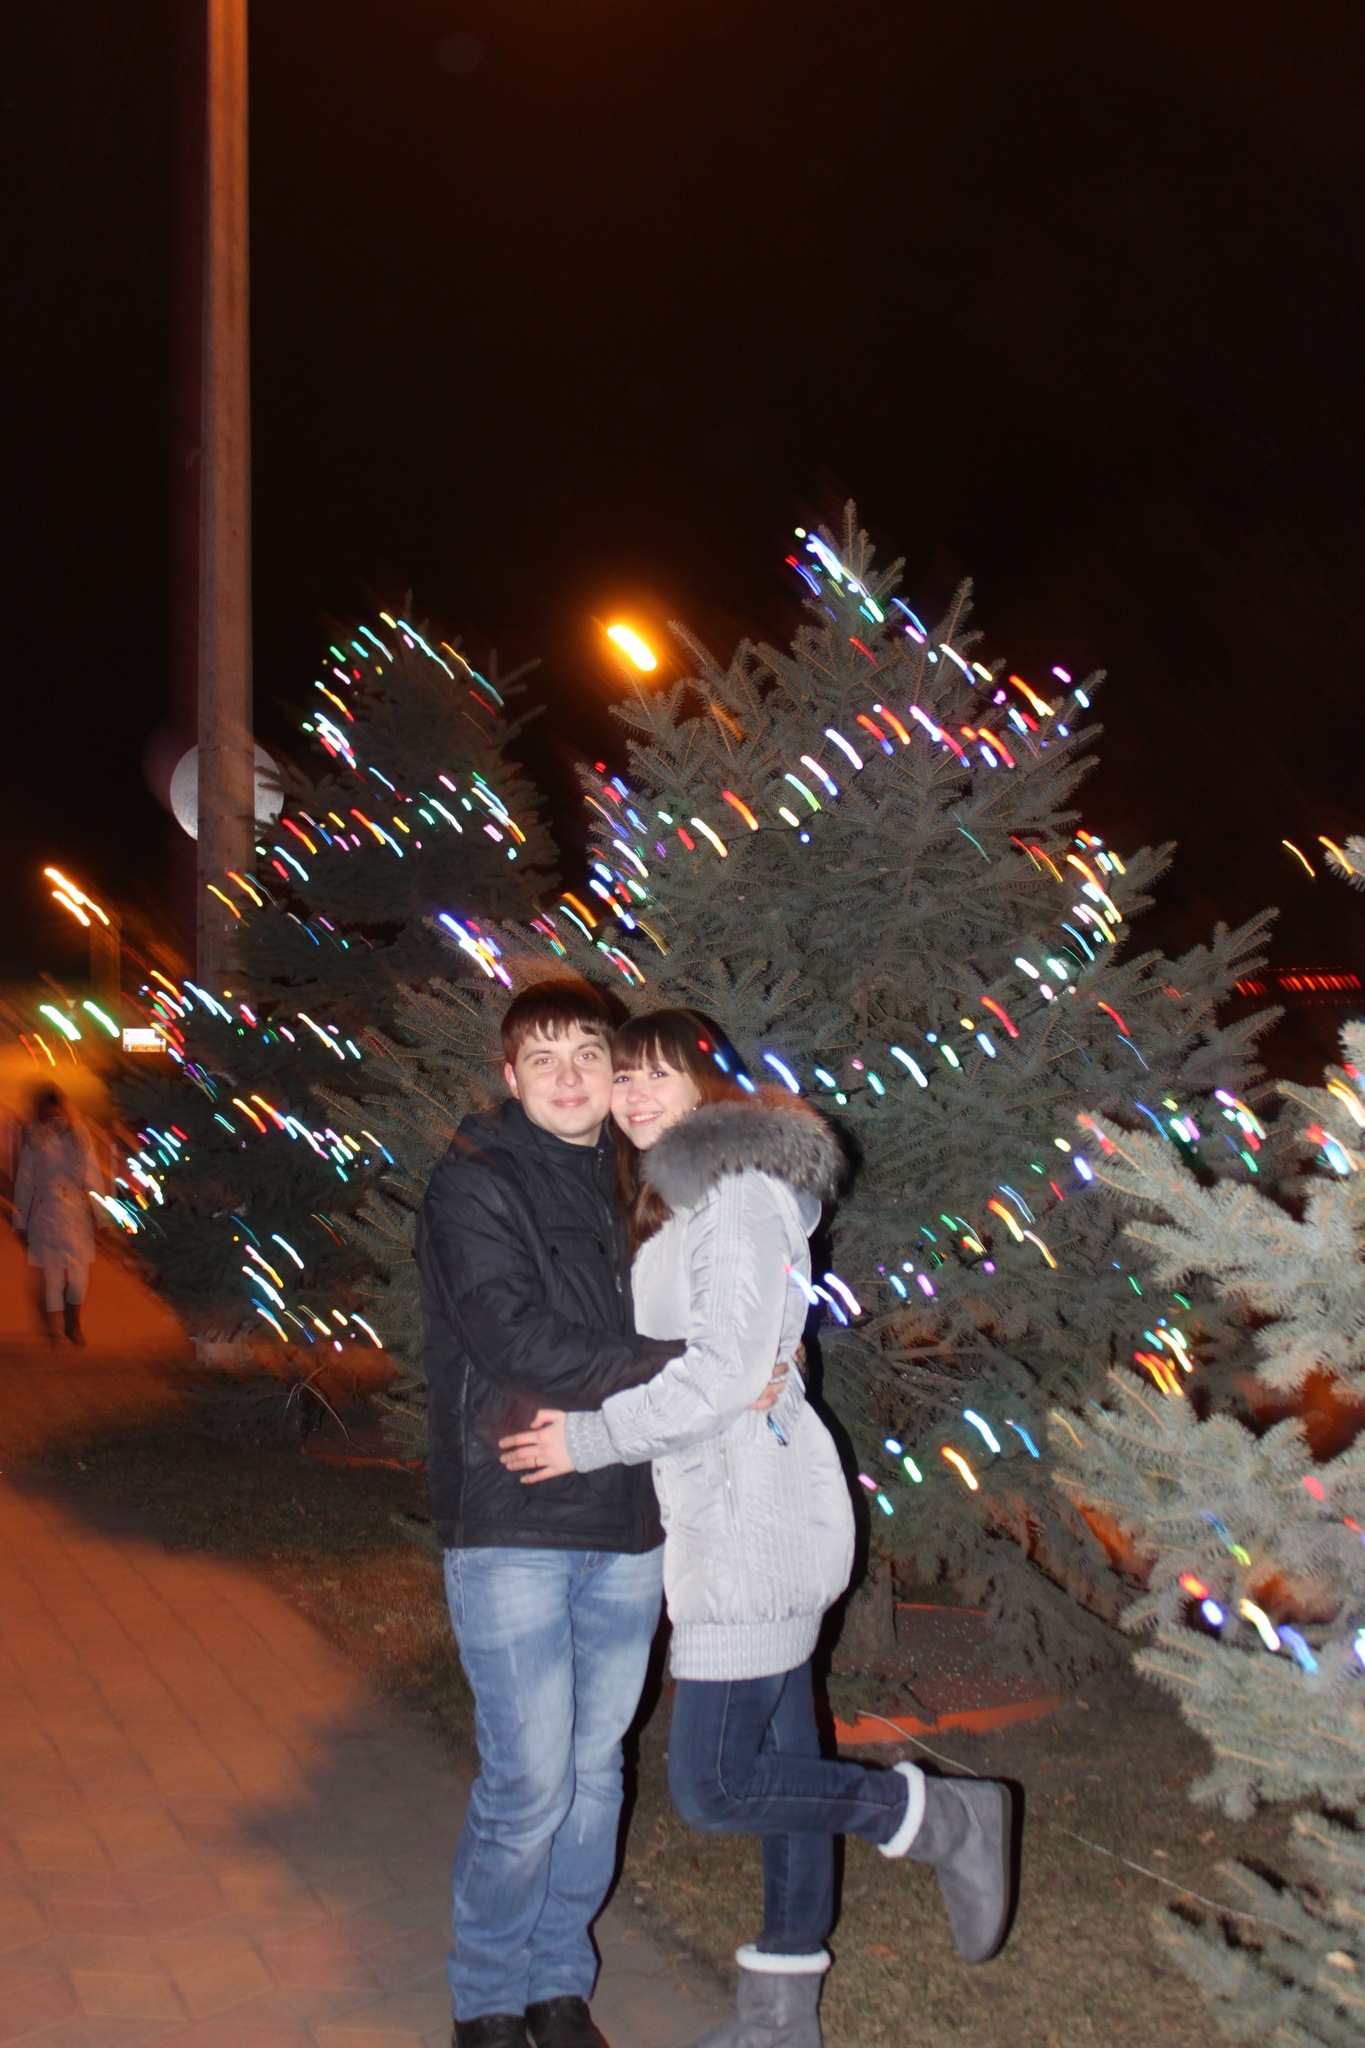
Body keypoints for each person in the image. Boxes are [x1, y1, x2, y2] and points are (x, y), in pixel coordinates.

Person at [500, 1011, 1019, 2048]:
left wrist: (589, 1438)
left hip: (748, 1517)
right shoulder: (696, 1194)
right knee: (785, 1758)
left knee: (717, 1783)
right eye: (624, 1077)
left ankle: (941, 1818)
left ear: (711, 1084)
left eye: (659, 1075)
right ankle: (779, 2019)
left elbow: (724, 1372)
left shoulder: (734, 1192)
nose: (635, 1095)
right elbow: (746, 1348)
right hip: (736, 1496)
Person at [416, 979, 785, 2048]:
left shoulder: (644, 1178)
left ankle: (557, 1984)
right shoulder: (475, 1179)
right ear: (510, 1076)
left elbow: (739, 1282)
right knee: (529, 1778)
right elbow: (515, 1339)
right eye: (544, 1058)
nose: (572, 1076)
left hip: (629, 1518)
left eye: (591, 1054)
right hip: (517, 1515)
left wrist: (754, 1355)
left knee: (592, 1773)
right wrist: (698, 1369)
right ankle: (487, 1998)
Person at [12, 1086, 103, 1345]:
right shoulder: (35, 1140)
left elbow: (92, 1174)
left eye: (56, 1110)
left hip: (75, 1213)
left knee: (78, 1276)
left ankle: (72, 1320)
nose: (52, 1116)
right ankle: (53, 1327)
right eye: (46, 1111)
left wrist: (102, 1215)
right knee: (50, 1276)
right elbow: (25, 1181)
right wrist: (20, 1220)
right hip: (44, 1213)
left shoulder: (79, 1136)